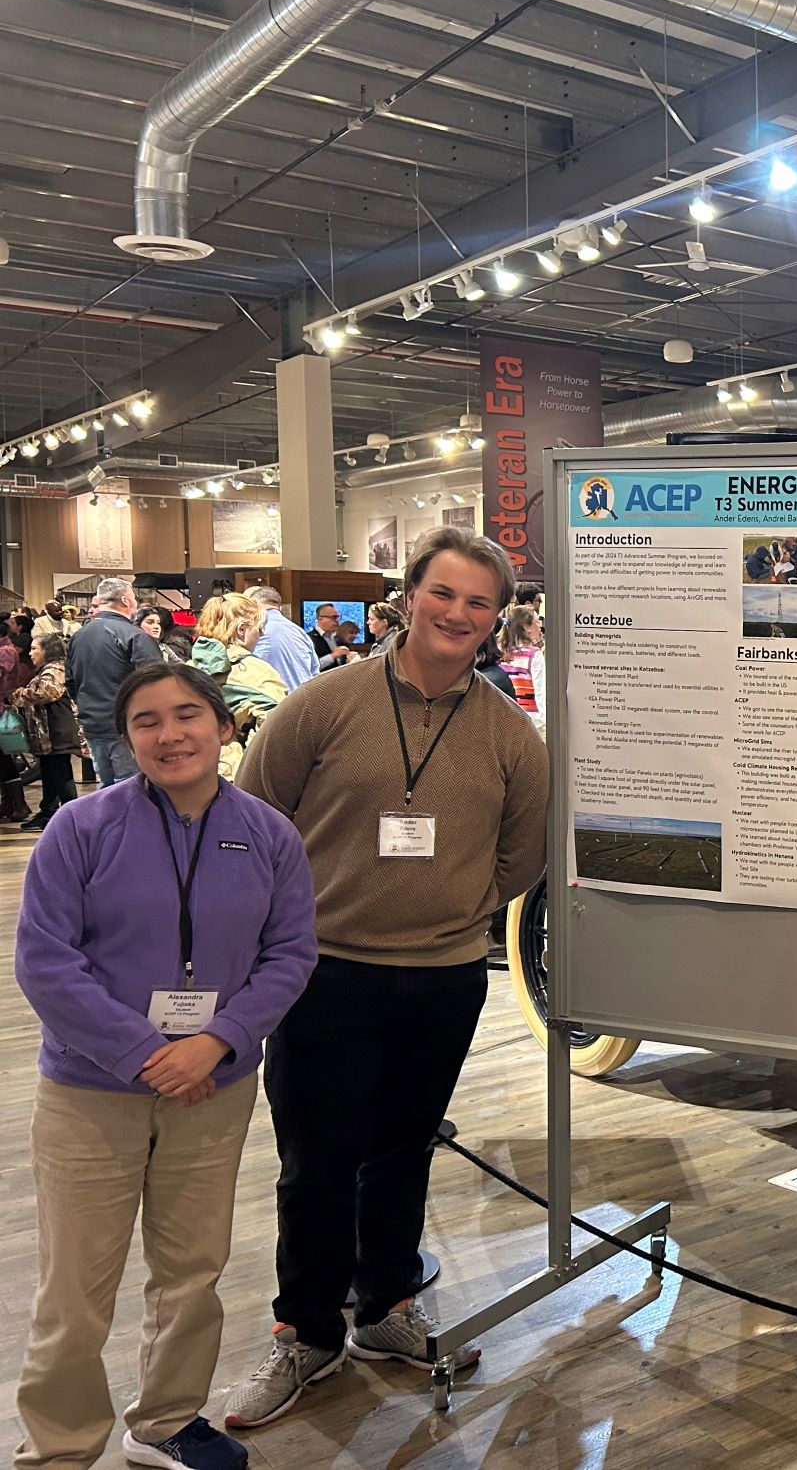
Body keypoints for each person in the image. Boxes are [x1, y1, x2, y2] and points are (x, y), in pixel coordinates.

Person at [224, 526, 548, 1428]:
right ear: (409, 598)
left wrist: (457, 905)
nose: (457, 614)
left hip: (443, 978)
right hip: (324, 971)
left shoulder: (508, 733)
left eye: (478, 603)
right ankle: (307, 1332)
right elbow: (252, 810)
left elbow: (521, 852)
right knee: (316, 1162)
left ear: (495, 622)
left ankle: (387, 1307)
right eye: (443, 594)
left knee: (402, 1151)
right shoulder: (326, 703)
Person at [12, 662, 316, 1470]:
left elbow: (290, 954)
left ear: (224, 726)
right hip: (90, 1092)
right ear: (127, 737)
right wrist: (147, 1054)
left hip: (211, 1089)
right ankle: (59, 1447)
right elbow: (45, 962)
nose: (170, 734)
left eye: (188, 715)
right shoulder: (80, 828)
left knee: (192, 1271)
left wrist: (217, 1043)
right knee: (75, 1289)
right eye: (147, 721)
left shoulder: (270, 834)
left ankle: (167, 1421)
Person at [66, 577, 164, 786]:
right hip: (127, 727)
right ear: (126, 601)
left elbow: (71, 683)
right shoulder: (134, 636)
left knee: (107, 790)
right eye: (134, 599)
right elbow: (156, 684)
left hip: (92, 724)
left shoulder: (78, 636)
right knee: (132, 790)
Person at [188, 595, 288, 781]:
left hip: (189, 768)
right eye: (259, 629)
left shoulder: (186, 669)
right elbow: (276, 727)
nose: (262, 635)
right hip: (235, 772)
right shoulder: (256, 672)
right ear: (242, 630)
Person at [11, 633, 81, 831]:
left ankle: (71, 816)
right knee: (50, 773)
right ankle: (49, 812)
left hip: (57, 731)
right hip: (49, 734)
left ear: (47, 650)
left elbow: (47, 692)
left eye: (35, 648)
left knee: (61, 774)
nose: (31, 653)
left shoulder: (55, 668)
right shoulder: (47, 669)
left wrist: (17, 695)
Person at [246, 590, 317, 693]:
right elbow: (314, 673)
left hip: (272, 702)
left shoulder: (252, 631)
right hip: (303, 701)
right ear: (280, 607)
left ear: (253, 606)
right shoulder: (301, 633)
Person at [498, 606, 542, 724]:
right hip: (533, 720)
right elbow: (541, 692)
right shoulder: (534, 655)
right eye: (537, 621)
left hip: (505, 718)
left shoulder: (499, 653)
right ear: (526, 627)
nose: (540, 625)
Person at [308, 605, 351, 672]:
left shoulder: (339, 639)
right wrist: (332, 656)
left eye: (338, 617)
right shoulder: (309, 639)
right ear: (320, 618)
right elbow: (309, 667)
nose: (337, 621)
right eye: (334, 617)